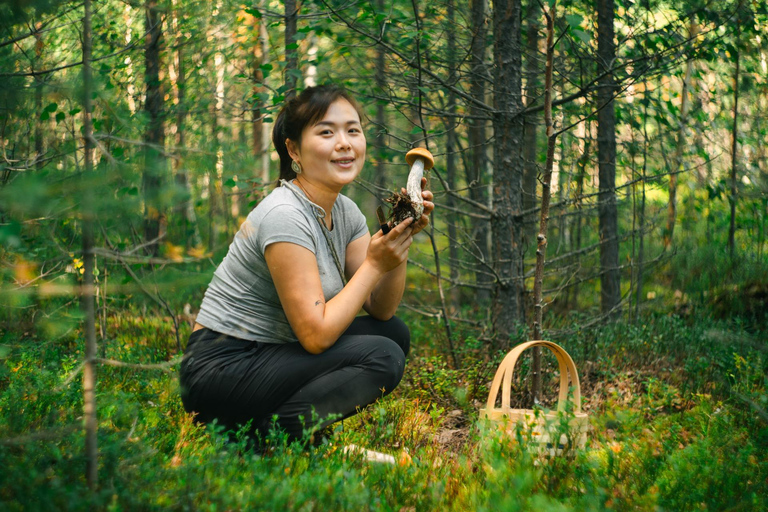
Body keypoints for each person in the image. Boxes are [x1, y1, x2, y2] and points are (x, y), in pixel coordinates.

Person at [179, 84, 434, 443]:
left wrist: (400, 239)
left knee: (393, 334)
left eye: (352, 130)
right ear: (293, 149)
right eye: (326, 132)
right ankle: (269, 438)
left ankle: (281, 429)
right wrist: (375, 265)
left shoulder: (344, 211)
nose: (344, 142)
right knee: (382, 356)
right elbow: (315, 337)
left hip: (270, 356)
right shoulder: (285, 214)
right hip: (222, 369)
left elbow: (381, 308)